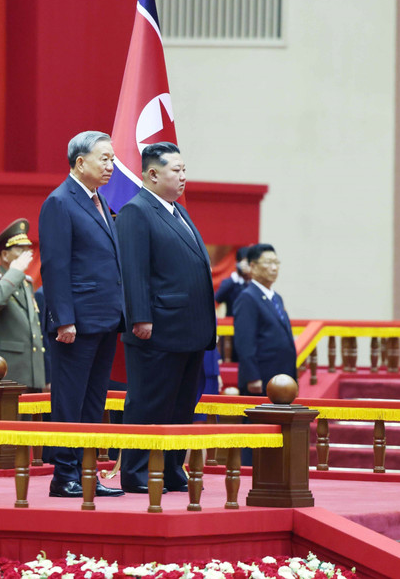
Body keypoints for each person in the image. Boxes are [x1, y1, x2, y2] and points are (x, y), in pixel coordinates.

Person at [115, 142, 217, 494]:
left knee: (181, 404)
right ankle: (137, 471)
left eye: (185, 169)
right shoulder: (136, 211)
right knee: (149, 402)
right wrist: (140, 317)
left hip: (189, 330)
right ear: (153, 174)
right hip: (156, 328)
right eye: (176, 170)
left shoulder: (177, 211)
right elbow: (133, 270)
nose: (183, 176)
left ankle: (172, 467)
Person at [38, 130, 125, 498]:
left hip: (105, 319)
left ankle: (87, 472)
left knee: (93, 401)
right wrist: (64, 319)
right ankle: (64, 475)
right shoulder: (60, 201)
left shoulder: (99, 202)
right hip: (76, 322)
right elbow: (55, 266)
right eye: (104, 159)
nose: (111, 166)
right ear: (80, 162)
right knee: (69, 401)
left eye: (112, 159)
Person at [0, 219, 46, 391]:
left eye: (27, 249)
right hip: (8, 372)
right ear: (4, 255)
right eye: (19, 249)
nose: (26, 254)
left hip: (32, 372)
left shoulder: (26, 283)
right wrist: (15, 270)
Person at [234, 243, 298, 396]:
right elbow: (245, 341)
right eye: (268, 263)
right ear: (253, 266)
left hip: (282, 377)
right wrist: (252, 377)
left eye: (276, 263)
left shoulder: (276, 298)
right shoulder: (247, 297)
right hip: (261, 377)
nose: (274, 268)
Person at [215, 245, 251, 317]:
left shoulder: (254, 282)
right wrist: (235, 279)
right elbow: (218, 298)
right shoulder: (231, 282)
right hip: (233, 321)